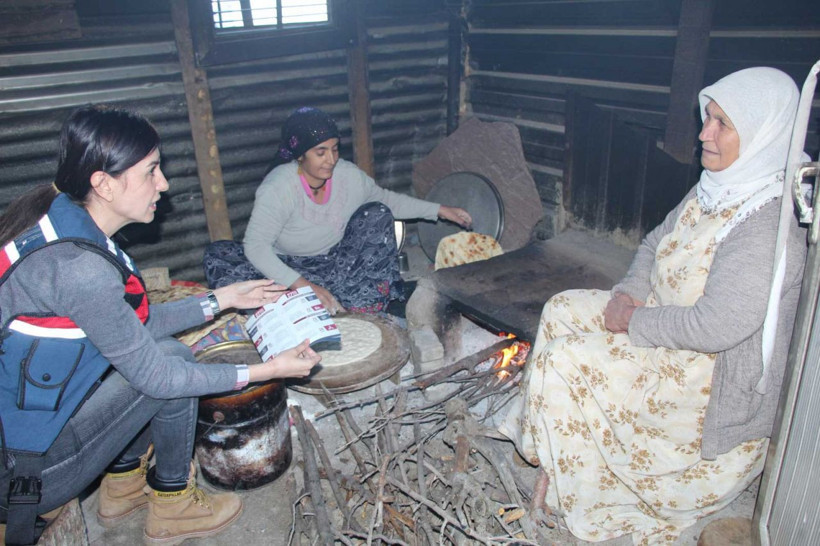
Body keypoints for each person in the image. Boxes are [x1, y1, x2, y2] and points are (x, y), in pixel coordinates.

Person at [499, 67, 808, 544]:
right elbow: (653, 242)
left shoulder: (765, 221)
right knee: (561, 307)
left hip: (705, 371)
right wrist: (631, 291)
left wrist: (636, 321)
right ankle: (550, 448)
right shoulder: (717, 186)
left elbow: (721, 325)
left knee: (565, 359)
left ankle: (584, 486)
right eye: (707, 117)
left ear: (764, 133)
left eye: (721, 124)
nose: (704, 133)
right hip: (660, 319)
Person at [0, 105, 321, 545]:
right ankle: (172, 506)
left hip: (23, 442)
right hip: (26, 474)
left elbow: (132, 327)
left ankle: (122, 486)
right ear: (103, 183)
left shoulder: (58, 221)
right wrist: (271, 370)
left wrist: (221, 299)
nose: (164, 184)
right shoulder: (80, 270)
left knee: (161, 356)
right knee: (171, 366)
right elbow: (158, 375)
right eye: (151, 171)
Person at [203, 106, 473, 315]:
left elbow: (388, 200)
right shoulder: (278, 187)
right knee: (219, 256)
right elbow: (257, 247)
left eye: (334, 149)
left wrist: (439, 210)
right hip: (289, 268)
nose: (331, 160)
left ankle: (358, 304)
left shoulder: (347, 176)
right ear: (300, 155)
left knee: (376, 213)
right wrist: (305, 286)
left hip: (338, 265)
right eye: (320, 152)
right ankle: (305, 304)